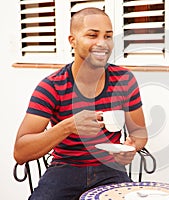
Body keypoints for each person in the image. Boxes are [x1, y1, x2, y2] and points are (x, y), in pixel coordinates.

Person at [13, 7, 148, 200]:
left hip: (111, 169)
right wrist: (68, 126)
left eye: (108, 36)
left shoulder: (124, 80)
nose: (102, 43)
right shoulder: (52, 86)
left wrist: (131, 148)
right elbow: (20, 152)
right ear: (72, 41)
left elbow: (139, 134)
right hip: (64, 169)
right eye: (92, 35)